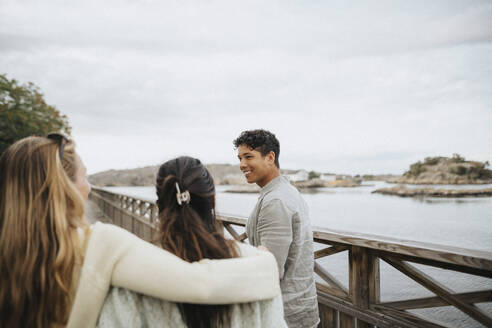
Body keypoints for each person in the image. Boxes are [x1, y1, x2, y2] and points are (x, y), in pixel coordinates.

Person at [0, 135, 280, 328]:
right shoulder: (102, 245)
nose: (89, 186)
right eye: (85, 177)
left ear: (160, 203)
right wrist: (264, 262)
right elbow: (198, 281)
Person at [98, 156, 287, 328]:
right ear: (212, 201)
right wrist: (261, 257)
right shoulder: (258, 268)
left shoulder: (130, 276)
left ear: (159, 207)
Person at [233, 129, 320, 328]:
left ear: (270, 157)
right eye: (239, 158)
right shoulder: (285, 191)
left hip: (286, 314)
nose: (242, 165)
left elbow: (270, 269)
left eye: (248, 157)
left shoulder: (276, 201)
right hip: (299, 306)